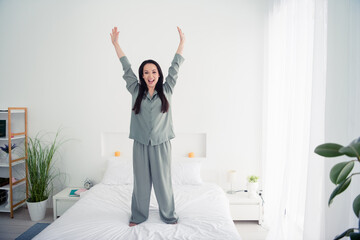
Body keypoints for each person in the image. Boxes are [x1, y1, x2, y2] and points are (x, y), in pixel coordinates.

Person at [110, 26, 185, 227]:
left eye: (153, 72)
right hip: (141, 144)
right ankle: (138, 216)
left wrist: (181, 44)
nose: (150, 75)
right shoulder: (135, 90)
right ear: (142, 76)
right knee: (141, 184)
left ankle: (169, 215)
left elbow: (175, 68)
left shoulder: (167, 89)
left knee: (163, 183)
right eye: (146, 72)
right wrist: (116, 44)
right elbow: (126, 68)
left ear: (159, 75)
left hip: (161, 144)